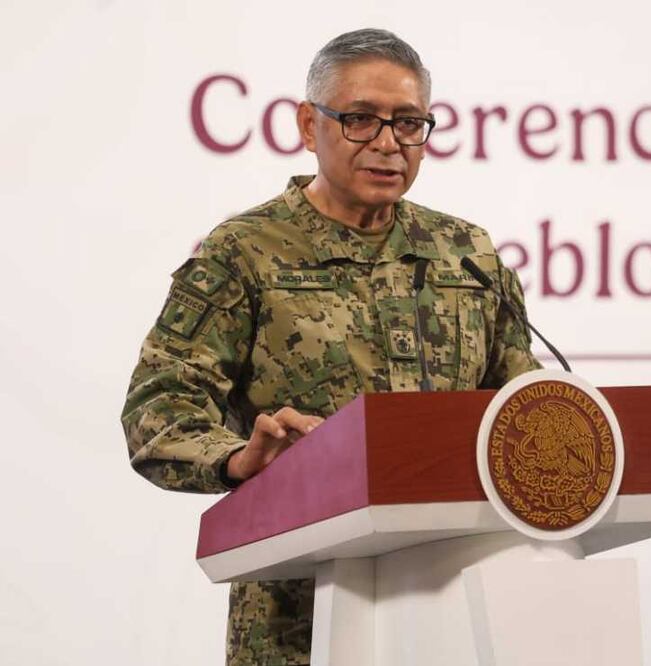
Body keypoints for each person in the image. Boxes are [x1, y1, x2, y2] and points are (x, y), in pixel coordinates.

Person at [121, 28, 541, 665]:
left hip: (450, 605)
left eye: (408, 124)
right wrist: (238, 459)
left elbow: (523, 404)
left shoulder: (466, 253)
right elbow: (157, 408)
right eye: (360, 119)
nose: (387, 144)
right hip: (300, 615)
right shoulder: (246, 252)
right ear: (307, 125)